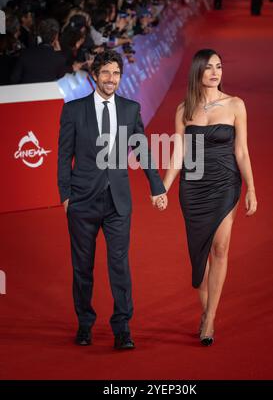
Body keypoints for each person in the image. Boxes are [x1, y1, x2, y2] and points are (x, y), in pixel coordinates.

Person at [57, 50, 167, 350]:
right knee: (83, 266)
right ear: (94, 76)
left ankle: (122, 327)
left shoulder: (130, 109)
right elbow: (64, 155)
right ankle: (84, 323)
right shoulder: (74, 110)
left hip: (118, 202)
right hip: (82, 201)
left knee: (119, 265)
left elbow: (142, 150)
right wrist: (65, 195)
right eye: (105, 73)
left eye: (116, 73)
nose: (111, 79)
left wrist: (156, 187)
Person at [159, 49, 257, 346]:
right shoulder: (183, 110)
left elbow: (241, 150)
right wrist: (163, 186)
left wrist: (251, 188)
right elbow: (179, 153)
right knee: (199, 259)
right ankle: (206, 311)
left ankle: (210, 319)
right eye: (208, 68)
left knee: (221, 247)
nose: (215, 72)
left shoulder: (236, 105)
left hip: (226, 182)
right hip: (193, 186)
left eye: (219, 67)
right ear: (197, 73)